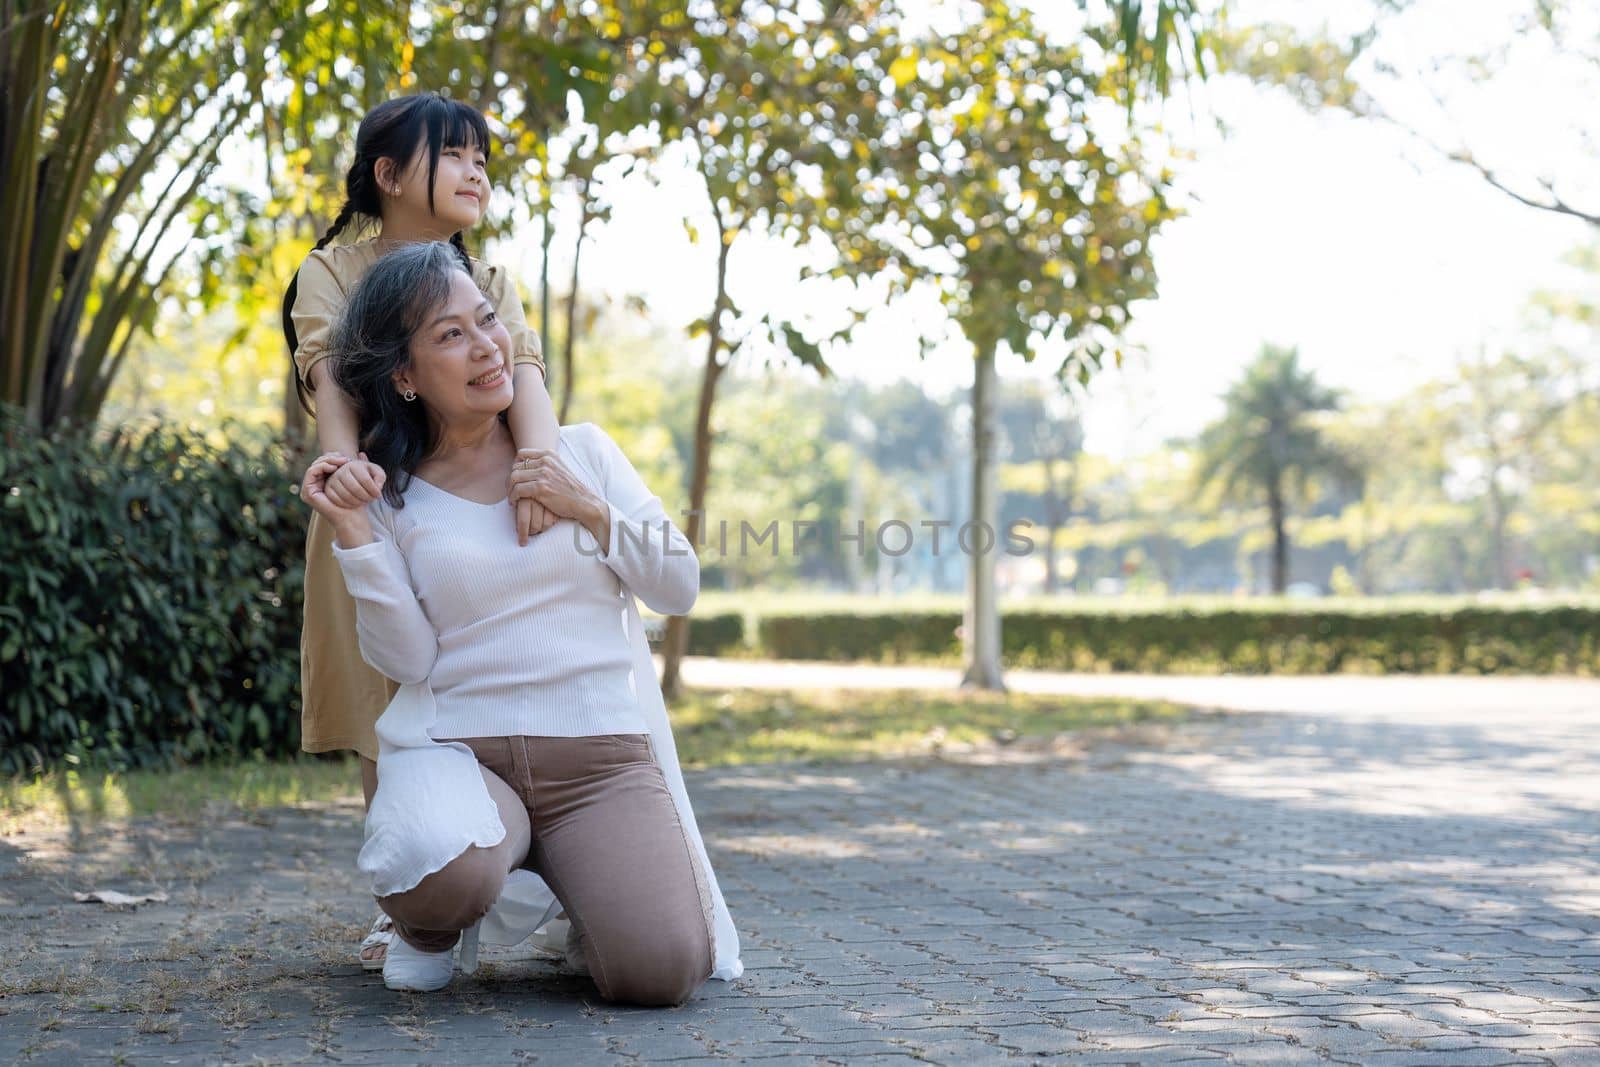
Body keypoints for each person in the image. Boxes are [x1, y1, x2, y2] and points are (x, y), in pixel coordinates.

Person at [299, 240, 742, 1004]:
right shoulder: (392, 496)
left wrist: (592, 511)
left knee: (662, 971)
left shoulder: (582, 451)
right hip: (467, 756)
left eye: (487, 320)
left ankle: (581, 879)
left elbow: (679, 584)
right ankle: (428, 929)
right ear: (403, 377)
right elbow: (406, 656)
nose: (487, 347)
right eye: (451, 335)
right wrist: (353, 534)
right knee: (448, 869)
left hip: (600, 762)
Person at [281, 92, 562, 969]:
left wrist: (542, 469)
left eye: (484, 156)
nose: (478, 170)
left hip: (485, 516)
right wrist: (342, 480)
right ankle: (407, 905)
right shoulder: (333, 269)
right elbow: (329, 370)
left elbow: (526, 374)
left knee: (502, 691)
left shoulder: (492, 282)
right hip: (376, 510)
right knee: (387, 712)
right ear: (389, 172)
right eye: (456, 154)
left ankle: (529, 877)